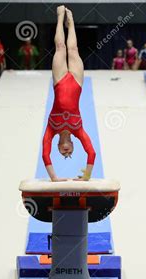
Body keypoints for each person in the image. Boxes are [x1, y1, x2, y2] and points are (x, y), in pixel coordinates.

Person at [42, 6, 96, 182]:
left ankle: (59, 18)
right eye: (70, 151)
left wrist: (54, 179)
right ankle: (71, 22)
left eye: (63, 152)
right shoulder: (78, 130)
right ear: (73, 144)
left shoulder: (51, 130)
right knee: (73, 50)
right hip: (77, 83)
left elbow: (44, 154)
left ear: (58, 147)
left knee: (60, 47)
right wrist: (86, 177)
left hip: (59, 82)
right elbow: (91, 152)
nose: (67, 151)